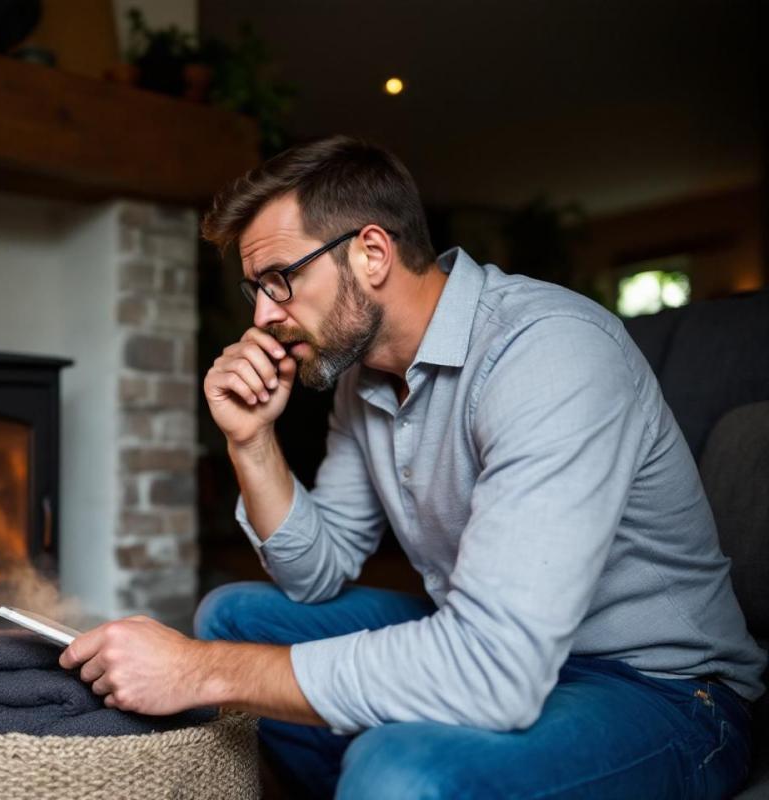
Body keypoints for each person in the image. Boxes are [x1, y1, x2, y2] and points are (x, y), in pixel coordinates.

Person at [59, 136, 765, 798]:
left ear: (371, 253)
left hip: (664, 690)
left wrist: (197, 672)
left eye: (279, 280)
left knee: (400, 769)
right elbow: (316, 573)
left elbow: (495, 665)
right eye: (256, 291)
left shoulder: (548, 353)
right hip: (496, 647)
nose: (263, 318)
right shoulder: (360, 379)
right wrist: (250, 441)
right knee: (237, 615)